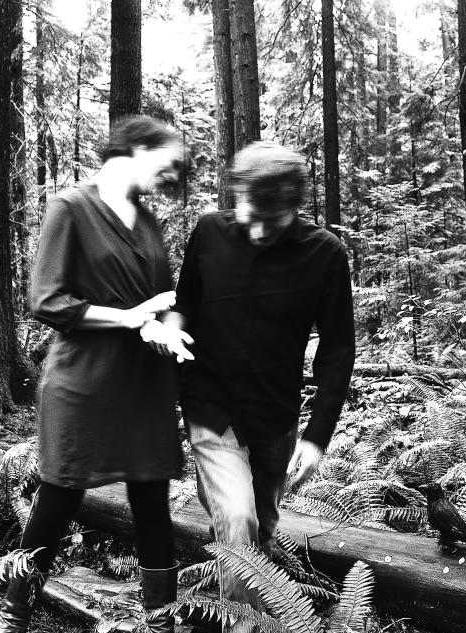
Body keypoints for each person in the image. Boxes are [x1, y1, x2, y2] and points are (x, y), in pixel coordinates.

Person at [0, 116, 193, 633]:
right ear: (135, 149)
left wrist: (167, 328)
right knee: (60, 496)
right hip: (83, 381)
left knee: (152, 499)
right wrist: (128, 318)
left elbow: (170, 298)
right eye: (167, 163)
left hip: (145, 383)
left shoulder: (148, 222)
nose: (171, 176)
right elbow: (46, 299)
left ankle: (161, 622)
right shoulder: (70, 206)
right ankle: (13, 614)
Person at [158, 141, 356, 632]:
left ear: (294, 205)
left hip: (275, 414)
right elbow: (186, 303)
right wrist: (169, 328)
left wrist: (317, 436)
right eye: (251, 213)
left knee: (260, 530)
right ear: (237, 194)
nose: (259, 229)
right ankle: (245, 625)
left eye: (274, 218)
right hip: (210, 404)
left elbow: (336, 351)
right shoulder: (209, 232)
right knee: (240, 518)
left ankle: (241, 596)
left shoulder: (325, 254)